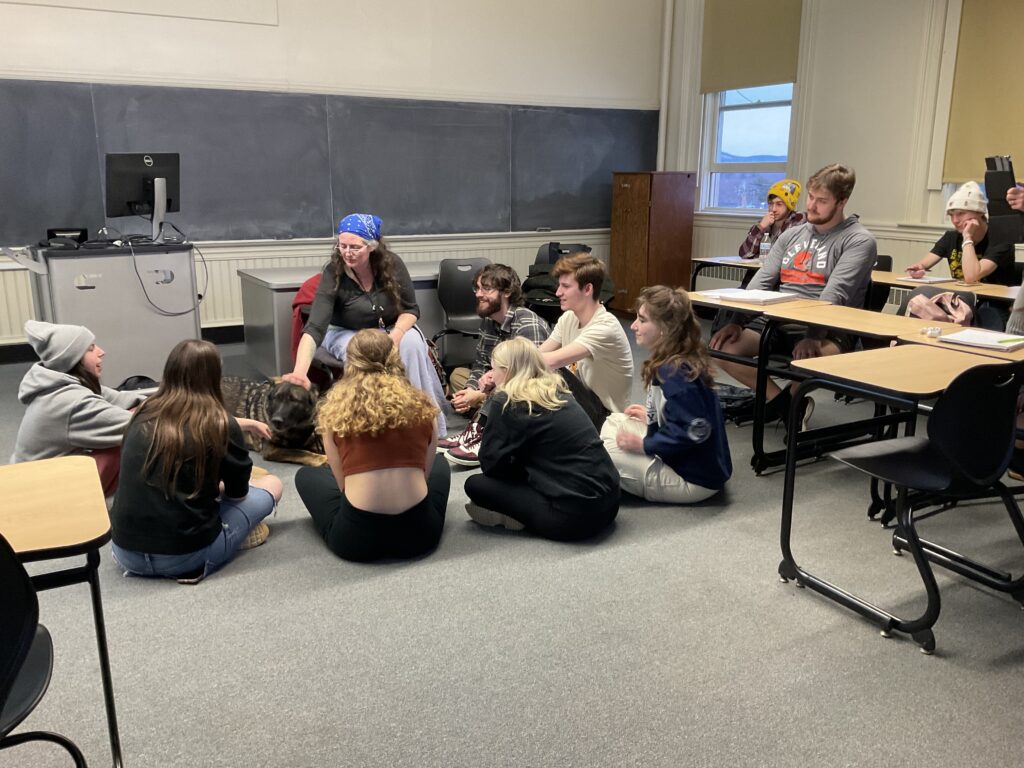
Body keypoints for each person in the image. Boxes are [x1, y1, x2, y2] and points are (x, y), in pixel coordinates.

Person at [709, 163, 877, 423]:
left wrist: (813, 336)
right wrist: (736, 321)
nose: (811, 206)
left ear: (842, 201)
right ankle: (786, 406)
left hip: (830, 327)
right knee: (721, 348)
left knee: (807, 360)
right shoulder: (791, 235)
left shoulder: (859, 240)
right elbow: (760, 282)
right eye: (811, 197)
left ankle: (785, 405)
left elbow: (834, 295)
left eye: (822, 201)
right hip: (778, 321)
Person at [109, 340, 284, 581]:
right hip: (185, 557)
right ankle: (233, 536)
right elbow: (237, 495)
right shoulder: (222, 424)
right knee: (272, 484)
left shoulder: (143, 413)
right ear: (214, 378)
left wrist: (246, 423)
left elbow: (187, 420)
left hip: (124, 553)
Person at [294, 329, 451, 562]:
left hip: (356, 541)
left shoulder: (334, 413)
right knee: (441, 462)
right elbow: (425, 475)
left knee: (306, 475)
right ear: (395, 359)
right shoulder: (424, 406)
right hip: (420, 536)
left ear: (351, 363)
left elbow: (342, 487)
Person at [284, 213, 447, 434]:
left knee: (412, 345)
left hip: (391, 328)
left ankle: (425, 425)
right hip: (344, 331)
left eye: (354, 247)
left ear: (371, 246)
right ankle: (373, 427)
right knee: (366, 351)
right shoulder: (334, 272)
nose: (347, 253)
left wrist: (394, 338)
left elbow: (411, 310)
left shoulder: (393, 264)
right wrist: (300, 372)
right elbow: (315, 327)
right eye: (342, 246)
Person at [463, 337, 620, 541]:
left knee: (475, 484)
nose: (491, 376)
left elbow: (491, 465)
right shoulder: (558, 390)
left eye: (494, 370)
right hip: (611, 502)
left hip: (575, 519)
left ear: (508, 371)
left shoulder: (507, 400)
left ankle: (516, 516)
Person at [601, 286, 732, 503]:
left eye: (642, 320)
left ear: (665, 328)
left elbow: (697, 430)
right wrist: (652, 417)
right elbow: (689, 415)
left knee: (604, 452)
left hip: (694, 480)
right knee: (615, 420)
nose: (633, 326)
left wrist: (645, 446)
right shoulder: (675, 359)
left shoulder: (674, 372)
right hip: (697, 466)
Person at [11, 320, 146, 496]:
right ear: (72, 359)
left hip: (37, 478)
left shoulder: (64, 383)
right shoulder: (71, 401)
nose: (101, 352)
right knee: (133, 445)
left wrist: (159, 403)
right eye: (90, 349)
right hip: (37, 494)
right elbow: (137, 428)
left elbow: (122, 399)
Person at [441, 263, 550, 467]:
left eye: (486, 289)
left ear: (507, 292)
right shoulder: (489, 321)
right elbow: (481, 363)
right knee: (458, 376)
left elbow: (528, 380)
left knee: (509, 393)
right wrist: (470, 390)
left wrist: (481, 396)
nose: (478, 294)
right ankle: (485, 415)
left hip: (526, 392)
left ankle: (480, 429)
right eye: (477, 288)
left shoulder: (527, 324)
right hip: (494, 383)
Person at [906, 181, 1015, 329]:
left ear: (980, 213)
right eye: (951, 215)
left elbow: (971, 277)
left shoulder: (1001, 239)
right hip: (959, 301)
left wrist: (967, 238)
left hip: (993, 304)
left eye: (960, 214)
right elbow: (924, 264)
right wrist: (918, 269)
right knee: (917, 303)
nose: (955, 221)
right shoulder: (951, 237)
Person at [537, 253, 633, 417]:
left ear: (588, 289)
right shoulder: (569, 317)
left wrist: (507, 365)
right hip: (579, 403)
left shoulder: (605, 327)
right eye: (559, 285)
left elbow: (550, 361)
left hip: (605, 415)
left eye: (566, 286)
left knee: (551, 374)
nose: (558, 292)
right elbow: (539, 353)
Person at [738, 179, 806, 259]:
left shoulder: (798, 219)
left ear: (789, 206)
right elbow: (744, 254)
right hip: (760, 270)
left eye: (779, 204)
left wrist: (758, 255)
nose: (773, 209)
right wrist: (760, 227)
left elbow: (784, 256)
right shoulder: (765, 222)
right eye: (770, 204)